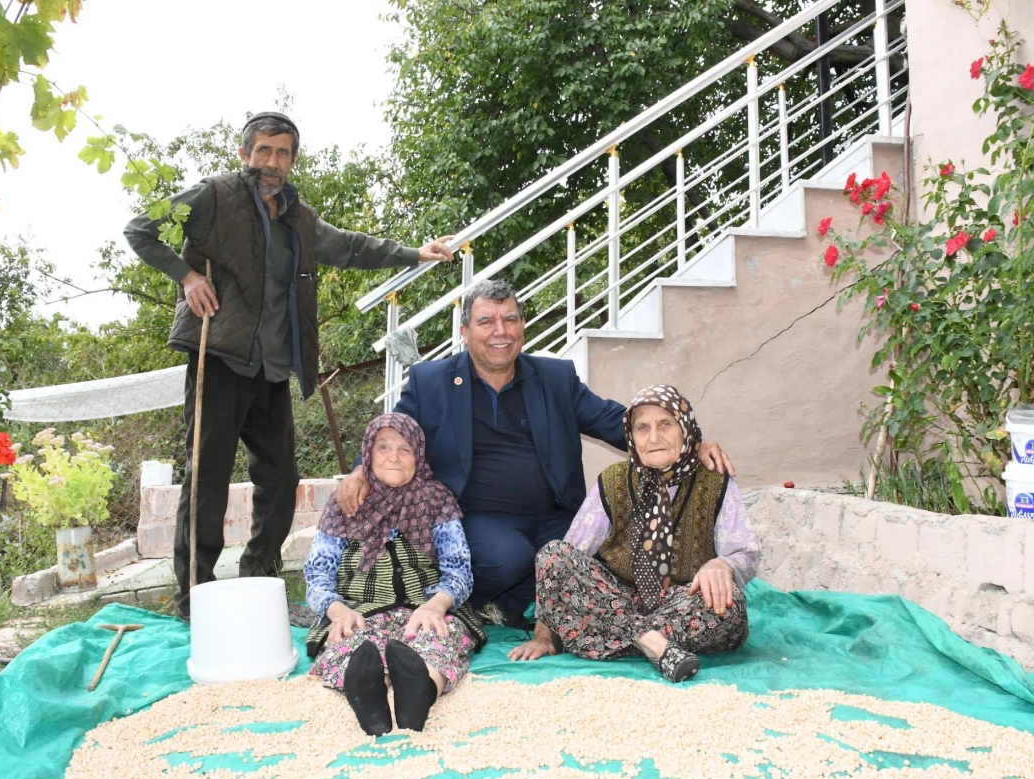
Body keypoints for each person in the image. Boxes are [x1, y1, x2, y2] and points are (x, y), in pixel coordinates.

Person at [124, 111, 454, 619]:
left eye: (282, 153)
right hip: (219, 356)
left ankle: (258, 576)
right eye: (263, 151)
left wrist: (414, 254)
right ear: (245, 154)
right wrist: (187, 276)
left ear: (293, 160)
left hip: (272, 369)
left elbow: (348, 247)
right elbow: (141, 228)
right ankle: (195, 595)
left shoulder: (298, 217)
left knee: (280, 478)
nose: (272, 162)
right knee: (205, 476)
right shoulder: (212, 195)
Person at [335, 279, 735, 628]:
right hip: (473, 517)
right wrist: (359, 472)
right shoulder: (431, 381)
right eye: (487, 321)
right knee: (509, 559)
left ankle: (511, 604)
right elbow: (391, 432)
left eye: (510, 319)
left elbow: (614, 420)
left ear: (522, 327)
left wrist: (688, 443)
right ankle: (469, 598)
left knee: (603, 563)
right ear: (465, 331)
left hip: (554, 516)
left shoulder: (555, 377)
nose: (500, 331)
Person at [508, 385, 759, 682]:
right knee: (552, 554)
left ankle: (596, 635)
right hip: (616, 596)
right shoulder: (613, 480)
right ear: (631, 436)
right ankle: (653, 644)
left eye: (665, 423)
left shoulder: (714, 479)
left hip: (680, 601)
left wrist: (724, 564)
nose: (654, 437)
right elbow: (566, 560)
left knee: (727, 609)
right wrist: (543, 635)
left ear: (685, 429)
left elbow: (745, 552)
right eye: (642, 428)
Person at [304, 412, 487, 736]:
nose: (393, 457)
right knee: (351, 645)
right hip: (358, 611)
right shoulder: (346, 502)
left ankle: (419, 693)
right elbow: (318, 574)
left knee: (441, 638)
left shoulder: (437, 499)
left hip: (424, 610)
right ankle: (369, 695)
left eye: (404, 449)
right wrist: (338, 612)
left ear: (418, 455)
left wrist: (436, 606)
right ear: (368, 455)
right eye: (383, 447)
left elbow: (458, 569)